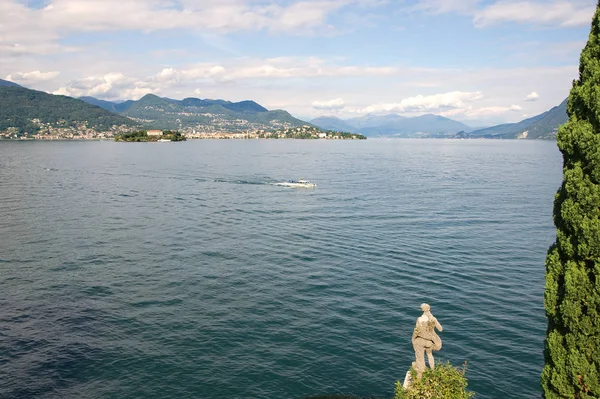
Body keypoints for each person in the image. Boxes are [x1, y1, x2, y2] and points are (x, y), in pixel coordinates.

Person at [411, 303, 443, 376]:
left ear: (422, 309)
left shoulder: (420, 319)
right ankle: (433, 370)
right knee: (429, 354)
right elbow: (440, 329)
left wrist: (413, 339)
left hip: (421, 341)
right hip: (430, 341)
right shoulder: (433, 319)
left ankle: (420, 373)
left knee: (420, 357)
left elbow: (416, 331)